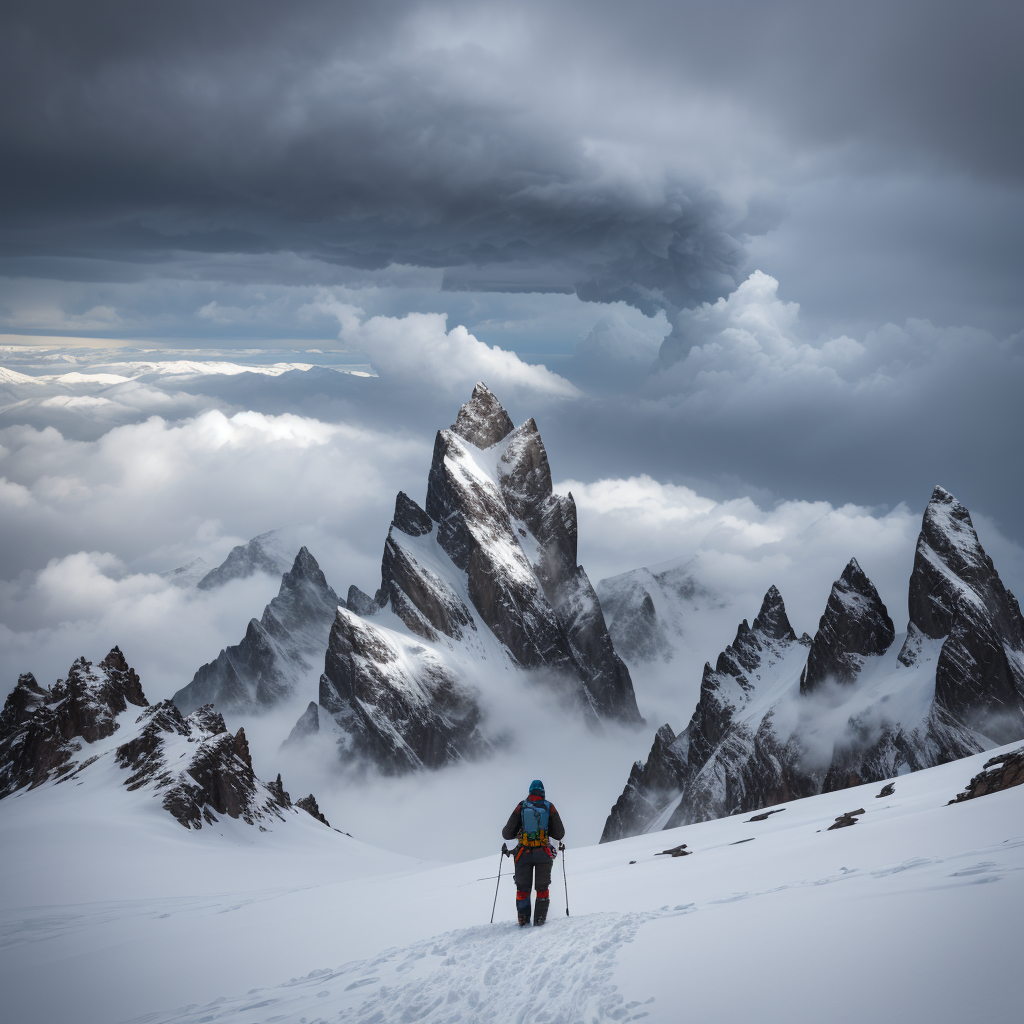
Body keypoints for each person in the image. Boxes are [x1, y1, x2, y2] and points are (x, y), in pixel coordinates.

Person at [501, 779, 565, 926]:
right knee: (542, 888)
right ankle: (540, 920)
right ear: (543, 792)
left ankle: (523, 920)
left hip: (523, 854)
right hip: (543, 853)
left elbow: (506, 833)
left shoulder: (522, 806)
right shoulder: (549, 807)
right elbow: (559, 833)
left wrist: (520, 833)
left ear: (530, 792)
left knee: (523, 889)